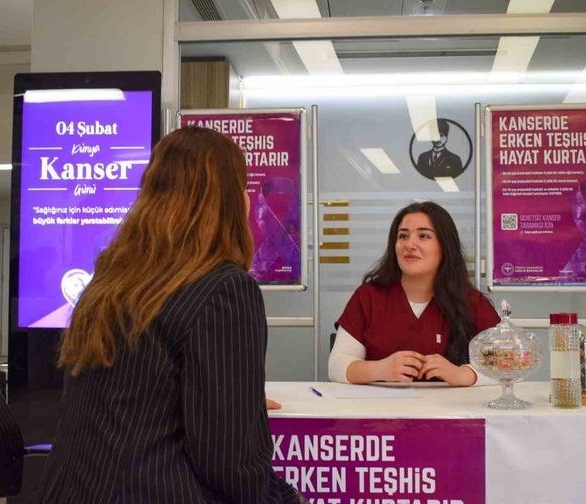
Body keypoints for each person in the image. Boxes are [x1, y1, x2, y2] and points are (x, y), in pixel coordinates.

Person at [38, 127, 303, 503]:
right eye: (243, 186)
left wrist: (231, 402)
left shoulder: (110, 281)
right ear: (228, 201)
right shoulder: (225, 287)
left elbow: (133, 399)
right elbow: (230, 464)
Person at [328, 201, 500, 385]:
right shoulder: (368, 297)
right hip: (382, 410)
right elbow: (337, 366)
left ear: (445, 246)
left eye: (424, 236)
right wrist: (380, 369)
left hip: (450, 411)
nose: (409, 244)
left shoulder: (471, 302)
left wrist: (462, 374)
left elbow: (506, 362)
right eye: (403, 236)